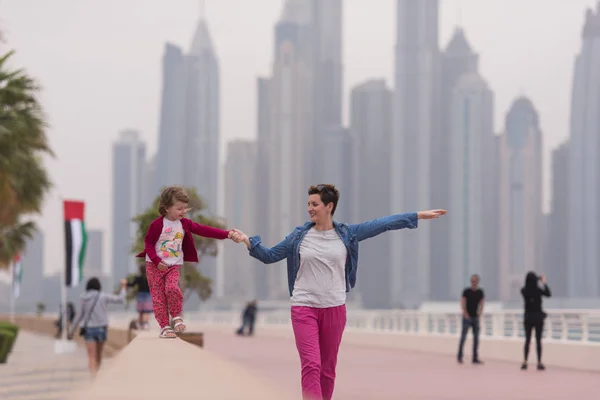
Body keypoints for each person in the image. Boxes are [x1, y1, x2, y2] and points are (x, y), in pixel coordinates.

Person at [230, 184, 446, 400]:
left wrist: (417, 216)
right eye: (308, 204)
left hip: (334, 309)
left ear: (329, 206)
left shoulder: (347, 234)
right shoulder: (299, 237)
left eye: (315, 204)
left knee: (327, 370)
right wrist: (249, 241)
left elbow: (383, 224)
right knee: (311, 365)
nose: (310, 209)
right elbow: (270, 255)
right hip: (304, 308)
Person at [136, 186, 242, 338]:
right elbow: (148, 243)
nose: (183, 211)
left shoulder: (184, 224)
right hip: (154, 265)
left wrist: (227, 234)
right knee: (159, 298)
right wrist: (156, 260)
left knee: (172, 288)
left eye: (185, 208)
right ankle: (165, 327)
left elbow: (204, 230)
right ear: (166, 208)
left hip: (173, 265)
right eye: (179, 208)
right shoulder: (157, 225)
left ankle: (176, 316)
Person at [69, 277, 127, 376]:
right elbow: (120, 300)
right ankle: (96, 376)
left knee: (91, 356)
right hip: (101, 328)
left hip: (89, 330)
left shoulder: (84, 298)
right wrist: (123, 287)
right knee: (99, 355)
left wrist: (71, 330)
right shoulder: (103, 296)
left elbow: (79, 316)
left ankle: (93, 377)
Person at [521, 271, 551, 371]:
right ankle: (539, 362)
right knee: (538, 340)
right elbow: (548, 294)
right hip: (538, 317)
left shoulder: (524, 290)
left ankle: (525, 362)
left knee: (527, 340)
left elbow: (527, 287)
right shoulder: (538, 290)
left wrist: (535, 279)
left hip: (528, 317)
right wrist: (543, 282)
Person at [457, 274, 485, 365]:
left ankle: (475, 358)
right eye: (473, 281)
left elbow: (482, 303)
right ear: (470, 281)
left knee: (476, 339)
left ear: (478, 281)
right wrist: (465, 314)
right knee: (463, 337)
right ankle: (460, 356)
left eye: (476, 281)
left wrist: (480, 314)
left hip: (475, 318)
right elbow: (463, 302)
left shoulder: (480, 292)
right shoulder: (466, 291)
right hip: (467, 318)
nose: (474, 282)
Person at [126, 264, 152, 330]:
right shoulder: (150, 277)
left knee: (141, 311)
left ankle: (140, 324)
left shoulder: (138, 278)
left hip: (140, 295)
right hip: (148, 295)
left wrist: (125, 283)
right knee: (147, 311)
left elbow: (131, 285)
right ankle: (145, 324)